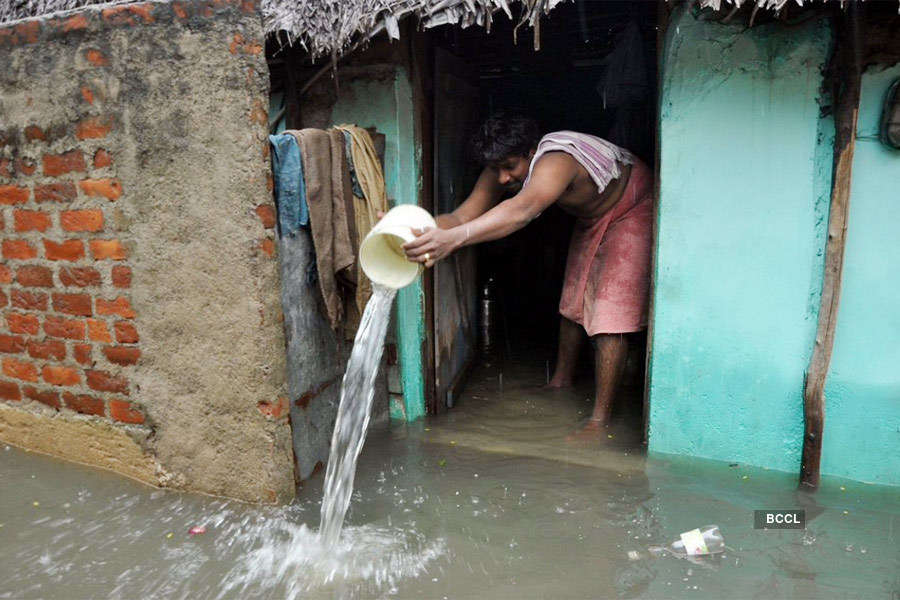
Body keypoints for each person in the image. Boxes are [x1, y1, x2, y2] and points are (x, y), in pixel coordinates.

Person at [404, 114, 653, 439]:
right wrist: (407, 231)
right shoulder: (499, 169)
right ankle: (560, 380)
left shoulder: (556, 160)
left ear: (532, 151)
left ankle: (599, 421)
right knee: (573, 298)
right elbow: (461, 216)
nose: (504, 178)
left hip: (631, 207)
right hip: (592, 217)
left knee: (609, 314)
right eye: (496, 169)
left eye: (511, 166)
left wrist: (453, 239)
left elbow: (522, 210)